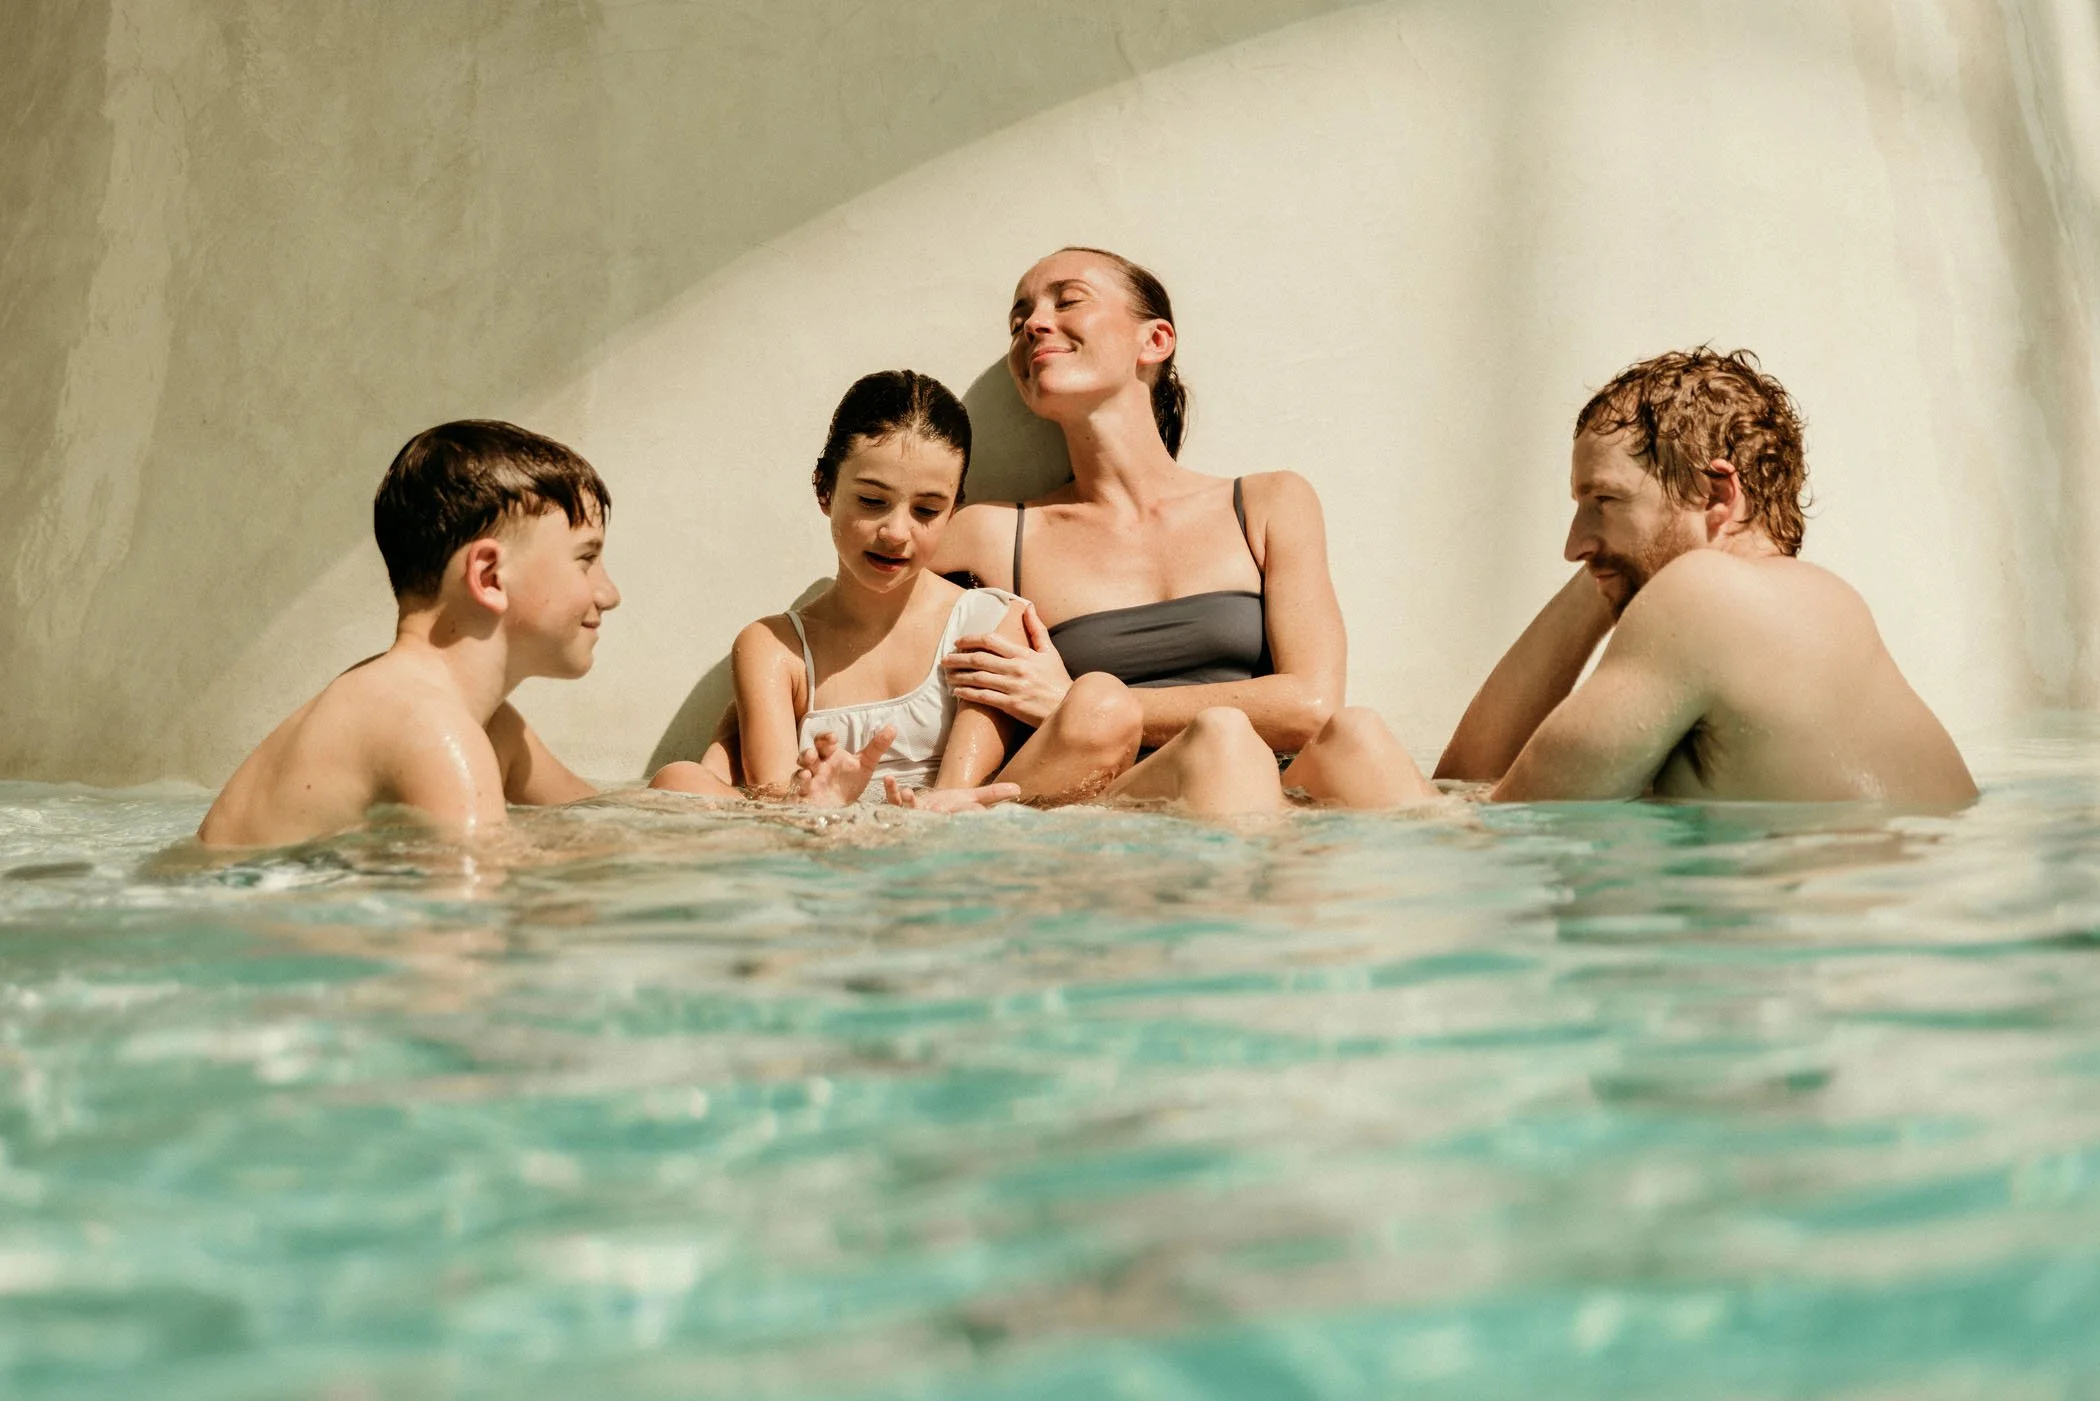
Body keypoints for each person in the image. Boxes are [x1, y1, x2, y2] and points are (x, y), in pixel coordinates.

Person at [931, 246, 1435, 813]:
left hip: (1272, 801)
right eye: (1019, 322)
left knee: (1359, 734)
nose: (1034, 326)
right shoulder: (993, 534)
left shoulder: (1269, 504)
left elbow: (1313, 705)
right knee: (1221, 741)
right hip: (1118, 808)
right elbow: (865, 609)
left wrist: (1070, 699)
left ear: (1156, 341)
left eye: (1068, 300)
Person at [1436, 348, 1977, 804]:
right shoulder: (1827, 603)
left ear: (1717, 494)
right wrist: (1611, 570)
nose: (1573, 546)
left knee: (1355, 749)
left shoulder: (1701, 595)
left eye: (1604, 500)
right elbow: (1479, 782)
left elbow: (1492, 817)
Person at [650, 370, 1144, 809]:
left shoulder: (987, 624)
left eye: (927, 510)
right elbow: (774, 802)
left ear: (953, 510)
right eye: (871, 501)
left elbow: (956, 792)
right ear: (824, 489)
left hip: (949, 840)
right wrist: (823, 805)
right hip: (820, 848)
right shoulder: (774, 647)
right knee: (679, 779)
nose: (896, 532)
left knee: (1104, 701)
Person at [198, 421, 625, 847]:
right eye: (586, 559)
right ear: (490, 576)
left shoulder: (481, 724)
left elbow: (611, 822)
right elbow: (481, 903)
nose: (610, 594)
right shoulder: (430, 730)